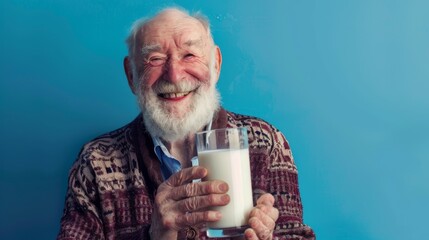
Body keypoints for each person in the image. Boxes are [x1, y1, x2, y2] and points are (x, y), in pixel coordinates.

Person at [57, 7, 315, 240]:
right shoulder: (96, 161)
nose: (174, 74)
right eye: (155, 59)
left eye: (189, 55)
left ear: (216, 64)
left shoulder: (265, 142)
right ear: (131, 75)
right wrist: (153, 236)